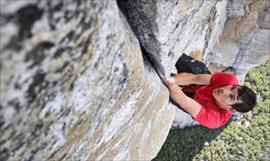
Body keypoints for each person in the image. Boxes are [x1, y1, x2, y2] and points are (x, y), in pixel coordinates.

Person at [161, 55, 257, 129]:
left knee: (169, 92)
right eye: (232, 88)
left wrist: (169, 82)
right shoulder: (229, 80)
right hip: (203, 85)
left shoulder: (214, 118)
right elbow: (195, 78)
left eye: (231, 97)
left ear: (230, 109)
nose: (225, 90)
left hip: (195, 102)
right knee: (180, 59)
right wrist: (173, 78)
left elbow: (185, 102)